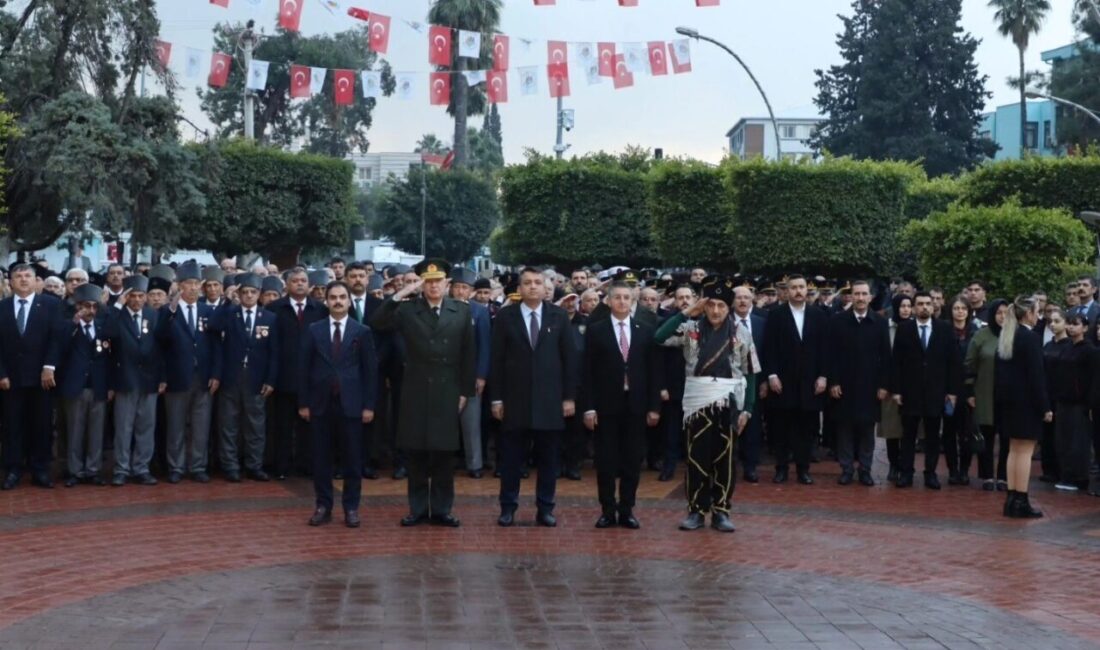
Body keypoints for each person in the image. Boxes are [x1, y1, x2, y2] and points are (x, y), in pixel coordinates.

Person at [371, 259, 476, 528]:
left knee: (443, 453)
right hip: (415, 388)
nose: (433, 286)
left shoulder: (461, 311)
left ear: (446, 284)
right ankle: (417, 508)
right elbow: (378, 321)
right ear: (421, 284)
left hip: (448, 388)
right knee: (416, 453)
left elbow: (468, 354)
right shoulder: (408, 310)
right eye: (427, 282)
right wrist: (402, 293)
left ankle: (442, 509)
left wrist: (465, 391)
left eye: (437, 281)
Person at [656, 276, 757, 533]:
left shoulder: (741, 333)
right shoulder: (691, 329)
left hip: (729, 402)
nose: (715, 311)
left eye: (721, 306)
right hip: (697, 403)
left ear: (729, 307)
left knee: (725, 458)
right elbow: (659, 336)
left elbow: (751, 371)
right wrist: (688, 311)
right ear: (704, 305)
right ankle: (696, 510)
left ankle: (721, 510)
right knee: (696, 457)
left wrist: (748, 409)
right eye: (710, 305)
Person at [489, 267, 578, 528]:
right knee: (511, 460)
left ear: (545, 287)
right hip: (514, 402)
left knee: (549, 460)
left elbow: (569, 360)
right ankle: (508, 508)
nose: (532, 287)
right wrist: (496, 399)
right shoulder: (505, 317)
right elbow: (496, 360)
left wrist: (569, 397)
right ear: (519, 288)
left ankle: (545, 508)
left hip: (550, 402)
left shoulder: (559, 316)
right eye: (527, 283)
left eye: (537, 282)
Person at [581, 281, 660, 529]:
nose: (623, 302)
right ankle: (607, 509)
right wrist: (589, 407)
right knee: (605, 460)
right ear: (609, 301)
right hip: (606, 406)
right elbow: (587, 373)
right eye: (618, 298)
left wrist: (654, 406)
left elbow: (653, 372)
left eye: (627, 298)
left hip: (635, 404)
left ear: (632, 302)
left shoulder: (645, 330)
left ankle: (627, 509)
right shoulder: (596, 330)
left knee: (632, 459)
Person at [299, 280, 377, 528]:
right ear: (326, 300)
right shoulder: (314, 329)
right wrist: (303, 403)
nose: (338, 301)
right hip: (320, 404)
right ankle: (323, 505)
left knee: (353, 460)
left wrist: (369, 406)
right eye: (333, 297)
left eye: (342, 297)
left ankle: (351, 507)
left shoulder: (361, 331)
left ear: (349, 300)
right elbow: (302, 368)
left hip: (352, 405)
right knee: (321, 459)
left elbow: (370, 372)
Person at [155, 261, 219, 484]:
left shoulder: (208, 311)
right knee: (176, 424)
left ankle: (198, 466)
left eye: (196, 284)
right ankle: (176, 466)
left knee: (201, 425)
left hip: (202, 377)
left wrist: (215, 374)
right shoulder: (167, 311)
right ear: (179, 286)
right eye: (189, 283)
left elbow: (216, 346)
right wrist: (162, 377)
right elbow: (160, 343)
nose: (193, 288)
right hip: (176, 377)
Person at [209, 273, 278, 483]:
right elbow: (212, 326)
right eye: (245, 292)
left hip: (257, 379)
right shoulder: (231, 314)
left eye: (253, 292)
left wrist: (271, 380)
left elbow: (275, 353)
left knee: (255, 425)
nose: (248, 295)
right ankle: (230, 465)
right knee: (228, 425)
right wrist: (227, 300)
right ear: (239, 293)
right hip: (231, 377)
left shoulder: (269, 318)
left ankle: (254, 465)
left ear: (259, 294)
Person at [0, 263, 62, 490]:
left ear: (37, 280)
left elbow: (57, 338)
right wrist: (1, 373)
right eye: (18, 276)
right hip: (11, 379)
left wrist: (49, 366)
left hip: (42, 378)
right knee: (12, 425)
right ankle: (13, 469)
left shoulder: (51, 305)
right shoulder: (2, 307)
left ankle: (40, 469)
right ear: (10, 281)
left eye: (28, 276)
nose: (23, 280)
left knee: (41, 424)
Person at [890, 291, 960, 489]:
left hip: (936, 392)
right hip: (910, 391)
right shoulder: (904, 329)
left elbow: (953, 362)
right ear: (913, 307)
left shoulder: (945, 329)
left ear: (934, 306)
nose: (924, 307)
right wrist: (896, 390)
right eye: (920, 304)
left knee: (932, 436)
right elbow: (896, 362)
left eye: (928, 303)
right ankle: (906, 473)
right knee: (908, 435)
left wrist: (952, 392)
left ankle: (930, 473)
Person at [763, 274, 828, 485]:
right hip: (783, 382)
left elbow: (825, 349)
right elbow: (769, 348)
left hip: (810, 383)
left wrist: (823, 376)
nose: (798, 291)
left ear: (807, 290)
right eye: (794, 288)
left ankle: (803, 469)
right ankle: (781, 468)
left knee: (806, 429)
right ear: (786, 291)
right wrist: (771, 375)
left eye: (801, 287)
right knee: (781, 428)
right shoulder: (775, 315)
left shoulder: (818, 315)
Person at [826, 280, 891, 487]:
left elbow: (886, 357)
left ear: (870, 297)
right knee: (844, 429)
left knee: (866, 430)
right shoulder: (838, 321)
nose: (861, 298)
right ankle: (846, 469)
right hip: (844, 384)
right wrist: (833, 381)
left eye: (864, 294)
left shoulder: (880, 323)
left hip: (870, 385)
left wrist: (883, 385)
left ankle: (865, 469)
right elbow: (831, 354)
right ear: (851, 296)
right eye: (857, 294)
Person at [995, 296, 1052, 518]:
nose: (1039, 315)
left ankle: (1012, 499)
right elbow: (1037, 376)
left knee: (1013, 450)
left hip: (1010, 403)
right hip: (1027, 404)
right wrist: (1044, 406)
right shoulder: (1030, 338)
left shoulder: (1008, 335)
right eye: (1037, 311)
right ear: (1028, 313)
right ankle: (1021, 499)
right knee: (1025, 452)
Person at [269, 267, 327, 480]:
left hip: (313, 378)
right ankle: (282, 466)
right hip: (284, 376)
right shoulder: (275, 309)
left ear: (309, 284)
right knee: (282, 425)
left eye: (303, 280)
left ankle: (307, 464)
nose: (300, 284)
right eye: (295, 280)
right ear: (287, 284)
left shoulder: (320, 309)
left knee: (310, 426)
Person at [105, 276, 163, 487]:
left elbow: (161, 348)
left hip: (149, 381)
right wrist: (117, 305)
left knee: (146, 427)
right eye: (132, 296)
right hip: (125, 379)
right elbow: (107, 333)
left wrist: (162, 377)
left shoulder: (152, 315)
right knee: (123, 428)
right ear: (126, 296)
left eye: (140, 296)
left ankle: (141, 468)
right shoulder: (117, 316)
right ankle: (121, 468)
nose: (137, 300)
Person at [56, 283, 111, 487]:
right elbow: (59, 347)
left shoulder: (102, 326)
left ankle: (93, 469)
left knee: (96, 431)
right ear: (78, 306)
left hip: (98, 385)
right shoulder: (66, 326)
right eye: (86, 306)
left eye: (94, 306)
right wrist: (73, 323)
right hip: (74, 385)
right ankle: (74, 470)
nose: (90, 310)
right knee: (75, 430)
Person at [450, 267, 491, 479]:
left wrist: (481, 375)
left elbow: (485, 346)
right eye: (456, 287)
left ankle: (474, 464)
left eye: (464, 288)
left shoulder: (479, 311)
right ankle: (446, 461)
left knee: (471, 421)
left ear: (471, 291)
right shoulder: (443, 308)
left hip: (471, 374)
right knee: (445, 420)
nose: (459, 291)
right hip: (447, 374)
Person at [966, 299, 1009, 492]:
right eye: (999, 313)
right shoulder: (981, 336)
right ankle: (986, 475)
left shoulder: (1015, 336)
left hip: (1009, 396)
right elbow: (969, 364)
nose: (1002, 317)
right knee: (987, 436)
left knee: (1007, 437)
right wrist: (969, 391)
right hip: (985, 393)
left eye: (1006, 313)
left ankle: (1003, 476)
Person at [729, 284, 766, 483]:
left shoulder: (762, 322)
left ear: (752, 300)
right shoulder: (724, 323)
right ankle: (730, 465)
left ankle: (750, 467)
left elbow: (767, 353)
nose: (742, 301)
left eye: (746, 297)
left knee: (752, 425)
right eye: (738, 297)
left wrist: (765, 380)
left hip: (754, 381)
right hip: (729, 384)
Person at [943, 296, 979, 486]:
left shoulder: (975, 331)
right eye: (956, 308)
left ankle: (964, 470)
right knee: (949, 432)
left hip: (968, 389)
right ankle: (952, 470)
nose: (960, 311)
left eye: (963, 308)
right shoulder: (944, 331)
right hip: (948, 389)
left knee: (967, 432)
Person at [1053, 313, 1091, 492]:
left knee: (1078, 442)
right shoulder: (1065, 348)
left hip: (1079, 403)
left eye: (1075, 324)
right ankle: (1065, 475)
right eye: (1069, 324)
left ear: (1084, 327)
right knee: (1063, 440)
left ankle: (1079, 478)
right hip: (1062, 400)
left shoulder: (1089, 350)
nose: (1070, 327)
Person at [1040, 308, 1068, 484]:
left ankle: (1061, 470)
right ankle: (1048, 469)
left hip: (1062, 396)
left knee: (1061, 435)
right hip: (1047, 394)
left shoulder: (1069, 346)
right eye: (1050, 321)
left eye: (1057, 321)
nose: (1053, 324)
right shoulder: (1047, 346)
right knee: (1046, 435)